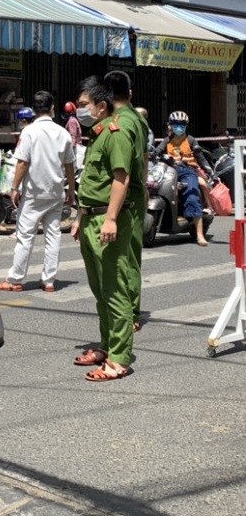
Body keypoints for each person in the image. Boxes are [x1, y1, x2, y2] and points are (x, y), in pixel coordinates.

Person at [70, 76, 136, 382]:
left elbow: (120, 178)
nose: (78, 110)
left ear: (101, 106)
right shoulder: (97, 135)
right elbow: (92, 184)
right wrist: (80, 218)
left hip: (107, 221)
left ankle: (119, 358)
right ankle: (107, 345)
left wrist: (110, 218)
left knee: (115, 291)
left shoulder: (115, 133)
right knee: (100, 291)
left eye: (83, 105)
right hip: (90, 219)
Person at [0, 91, 75, 293]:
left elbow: (22, 163)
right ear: (52, 108)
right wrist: (71, 191)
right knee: (53, 236)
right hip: (56, 193)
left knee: (25, 237)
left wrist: (14, 188)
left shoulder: (29, 132)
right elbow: (69, 166)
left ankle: (15, 279)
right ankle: (49, 281)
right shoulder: (62, 133)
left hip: (33, 195)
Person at [104, 71, 149, 333]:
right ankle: (129, 308)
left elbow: (122, 171)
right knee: (130, 255)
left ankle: (130, 311)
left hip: (126, 196)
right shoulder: (138, 119)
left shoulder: (121, 122)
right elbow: (144, 159)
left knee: (127, 257)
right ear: (130, 93)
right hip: (136, 193)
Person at [154, 110, 212, 246]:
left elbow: (200, 157)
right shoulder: (167, 140)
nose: (178, 127)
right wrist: (152, 154)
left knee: (192, 196)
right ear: (170, 125)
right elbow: (156, 152)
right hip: (168, 170)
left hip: (188, 171)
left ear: (186, 125)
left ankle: (199, 235)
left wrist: (207, 168)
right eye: (175, 124)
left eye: (181, 124)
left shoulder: (191, 140)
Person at [62, 101, 84, 168]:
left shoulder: (71, 121)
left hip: (74, 146)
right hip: (75, 145)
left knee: (72, 165)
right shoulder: (73, 120)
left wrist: (71, 147)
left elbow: (72, 135)